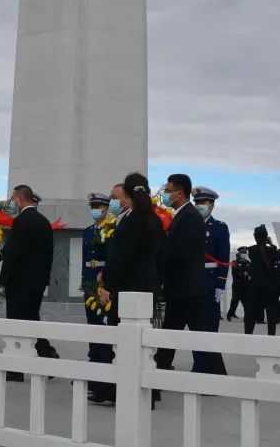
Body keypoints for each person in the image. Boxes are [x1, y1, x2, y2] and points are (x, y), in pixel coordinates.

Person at [89, 173, 163, 405]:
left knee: (123, 342)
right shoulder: (154, 219)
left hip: (128, 290)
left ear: (128, 196)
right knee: (142, 346)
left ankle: (124, 393)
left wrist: (108, 284)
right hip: (146, 287)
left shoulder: (132, 220)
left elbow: (122, 256)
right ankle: (142, 393)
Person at [154, 174, 215, 377]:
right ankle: (158, 372)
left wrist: (161, 269)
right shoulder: (182, 215)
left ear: (179, 194)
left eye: (168, 191)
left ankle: (214, 375)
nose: (165, 195)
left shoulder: (188, 216)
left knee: (200, 336)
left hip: (187, 289)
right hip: (180, 289)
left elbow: (179, 252)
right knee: (171, 335)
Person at [0, 185, 59, 377]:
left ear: (20, 199)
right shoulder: (44, 222)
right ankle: (47, 356)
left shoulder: (21, 221)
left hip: (19, 282)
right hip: (38, 282)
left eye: (14, 199)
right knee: (32, 319)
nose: (13, 203)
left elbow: (12, 253)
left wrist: (3, 278)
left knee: (16, 323)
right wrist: (44, 279)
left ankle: (16, 369)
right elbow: (49, 254)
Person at [192, 187, 228, 375]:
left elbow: (223, 258)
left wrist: (221, 284)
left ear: (212, 205)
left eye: (203, 203)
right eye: (197, 202)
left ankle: (212, 368)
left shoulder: (219, 228)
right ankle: (198, 364)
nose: (200, 206)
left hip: (210, 281)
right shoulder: (190, 225)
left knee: (210, 325)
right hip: (192, 281)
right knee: (195, 326)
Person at [81, 193, 110, 365]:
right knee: (91, 319)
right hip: (89, 279)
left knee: (102, 320)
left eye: (98, 207)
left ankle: (102, 358)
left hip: (102, 278)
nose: (95, 210)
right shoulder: (87, 231)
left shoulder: (109, 230)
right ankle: (93, 356)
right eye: (92, 207)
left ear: (105, 208)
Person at [245, 225, 280, 336]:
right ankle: (271, 335)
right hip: (270, 287)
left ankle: (248, 334)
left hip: (255, 286)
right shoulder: (273, 250)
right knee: (271, 313)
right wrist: (271, 244)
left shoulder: (251, 250)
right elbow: (278, 259)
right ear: (266, 236)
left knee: (250, 313)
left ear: (254, 237)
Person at [226, 247, 250, 322]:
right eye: (243, 252)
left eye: (245, 252)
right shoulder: (234, 262)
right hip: (237, 285)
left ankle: (247, 317)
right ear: (239, 253)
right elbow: (235, 274)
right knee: (235, 301)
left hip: (246, 285)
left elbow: (250, 271)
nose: (244, 254)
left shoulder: (247, 262)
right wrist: (243, 273)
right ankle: (230, 314)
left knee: (246, 302)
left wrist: (247, 273)